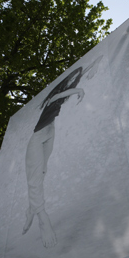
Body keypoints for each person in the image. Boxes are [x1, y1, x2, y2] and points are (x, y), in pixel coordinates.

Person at [23, 56, 102, 247]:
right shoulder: (53, 98)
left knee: (42, 172)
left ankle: (31, 210)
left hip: (50, 131)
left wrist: (94, 64)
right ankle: (42, 218)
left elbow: (81, 71)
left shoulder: (61, 97)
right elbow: (57, 97)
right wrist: (78, 90)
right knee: (35, 176)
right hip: (37, 137)